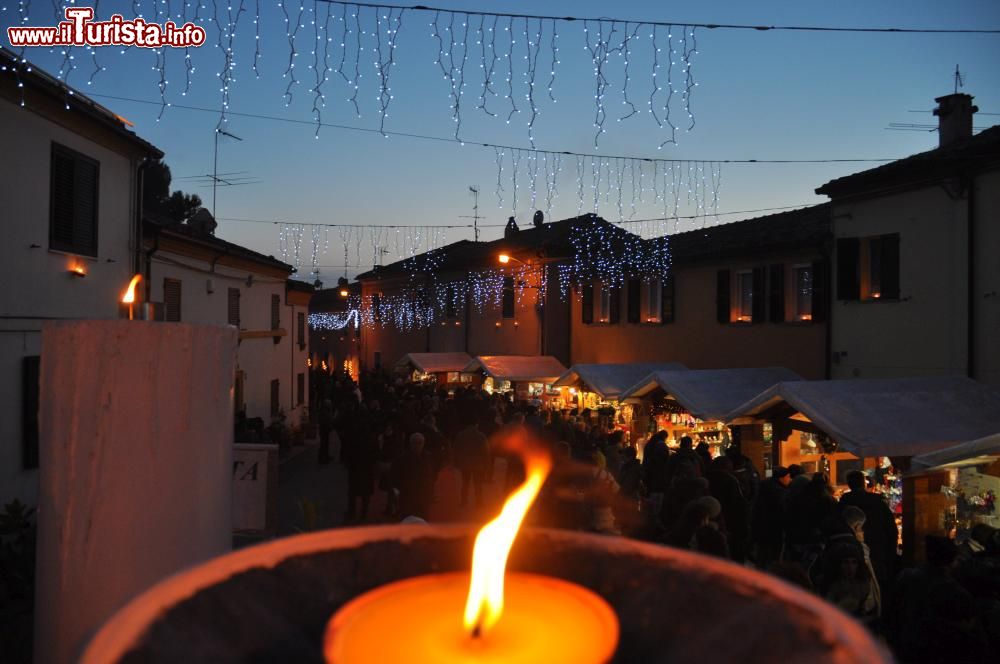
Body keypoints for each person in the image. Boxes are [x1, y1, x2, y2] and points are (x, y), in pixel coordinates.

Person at [839, 470, 898, 598]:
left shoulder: (843, 503)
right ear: (863, 483)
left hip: (851, 551)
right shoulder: (877, 502)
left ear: (849, 484)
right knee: (878, 586)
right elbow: (891, 528)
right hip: (877, 548)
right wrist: (891, 552)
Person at [752, 466, 791, 567]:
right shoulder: (780, 492)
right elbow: (782, 510)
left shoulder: (763, 486)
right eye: (788, 477)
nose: (789, 479)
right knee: (774, 554)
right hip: (774, 527)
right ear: (781, 478)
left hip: (760, 525)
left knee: (762, 554)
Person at [393, 432, 435, 520]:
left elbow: (430, 475)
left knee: (422, 518)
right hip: (408, 495)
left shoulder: (428, 457)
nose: (418, 445)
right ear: (411, 444)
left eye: (420, 443)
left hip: (423, 495)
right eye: (415, 443)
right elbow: (396, 476)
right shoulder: (403, 458)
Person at [453, 413, 490, 508]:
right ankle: (479, 503)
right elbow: (485, 451)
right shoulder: (481, 436)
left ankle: (464, 502)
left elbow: (456, 449)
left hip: (465, 463)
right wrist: (486, 464)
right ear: (476, 424)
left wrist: (456, 462)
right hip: (478, 464)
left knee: (465, 484)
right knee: (478, 485)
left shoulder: (460, 435)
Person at [317, 399, 335, 465]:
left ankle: (325, 457)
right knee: (323, 444)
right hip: (324, 429)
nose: (330, 405)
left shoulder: (326, 411)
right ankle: (322, 458)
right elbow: (325, 420)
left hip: (325, 430)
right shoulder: (324, 411)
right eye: (329, 404)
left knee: (325, 444)